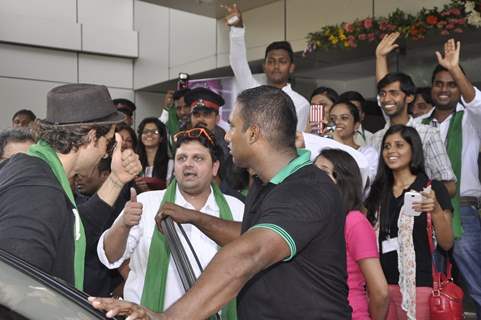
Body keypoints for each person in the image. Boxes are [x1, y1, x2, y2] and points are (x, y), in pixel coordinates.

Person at [90, 85, 351, 319]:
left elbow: (249, 252)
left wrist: (167, 318)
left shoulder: (307, 189)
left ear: (253, 134)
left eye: (234, 126)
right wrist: (196, 217)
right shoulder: (265, 183)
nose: (227, 136)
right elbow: (250, 234)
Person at [0, 83, 141, 290]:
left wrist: (117, 179)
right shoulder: (37, 188)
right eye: (109, 143)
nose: (106, 153)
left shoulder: (38, 169)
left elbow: (72, 228)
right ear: (92, 136)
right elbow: (14, 288)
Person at [97, 127, 244, 313]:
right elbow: (110, 257)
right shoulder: (146, 203)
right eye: (182, 158)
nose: (188, 164)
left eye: (198, 158)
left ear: (215, 167)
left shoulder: (236, 209)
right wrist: (124, 224)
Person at [365, 125, 454, 319]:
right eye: (387, 146)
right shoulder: (378, 191)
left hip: (418, 285)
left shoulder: (431, 188)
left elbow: (447, 243)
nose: (391, 151)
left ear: (414, 149)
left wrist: (436, 210)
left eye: (399, 145)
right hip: (380, 286)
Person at [420, 39, 481, 317]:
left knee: (477, 284)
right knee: (430, 286)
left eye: (452, 83)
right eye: (439, 83)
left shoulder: (471, 121)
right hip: (425, 210)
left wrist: (456, 69)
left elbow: (476, 103)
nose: (444, 89)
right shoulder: (417, 124)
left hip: (463, 210)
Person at [315, 149, 388, 320]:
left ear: (342, 181)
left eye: (323, 171)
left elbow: (380, 292)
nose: (314, 177)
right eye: (312, 170)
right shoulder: (316, 222)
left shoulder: (354, 222)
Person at [368, 71, 456, 197]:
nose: (386, 99)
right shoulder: (375, 139)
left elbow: (450, 186)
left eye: (394, 93)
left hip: (418, 211)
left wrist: (417, 199)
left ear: (409, 97)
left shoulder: (427, 134)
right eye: (382, 94)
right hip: (386, 212)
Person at [224, 4, 310, 131]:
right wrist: (237, 28)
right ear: (264, 66)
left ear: (291, 67)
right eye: (271, 61)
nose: (276, 66)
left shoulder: (300, 103)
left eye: (282, 61)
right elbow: (238, 62)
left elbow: (298, 141)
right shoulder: (253, 91)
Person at [328, 101, 379, 187]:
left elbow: (364, 181)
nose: (337, 122)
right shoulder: (323, 150)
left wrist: (340, 145)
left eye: (344, 118)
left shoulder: (368, 153)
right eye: (332, 119)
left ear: (356, 125)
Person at [185, 87, 230, 159]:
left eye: (206, 115)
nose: (200, 119)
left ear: (217, 118)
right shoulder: (183, 140)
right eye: (196, 115)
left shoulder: (227, 147)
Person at [135, 117, 171, 192]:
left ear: (161, 138)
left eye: (155, 132)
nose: (149, 134)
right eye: (145, 131)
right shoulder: (134, 161)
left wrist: (147, 190)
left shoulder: (170, 164)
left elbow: (170, 193)